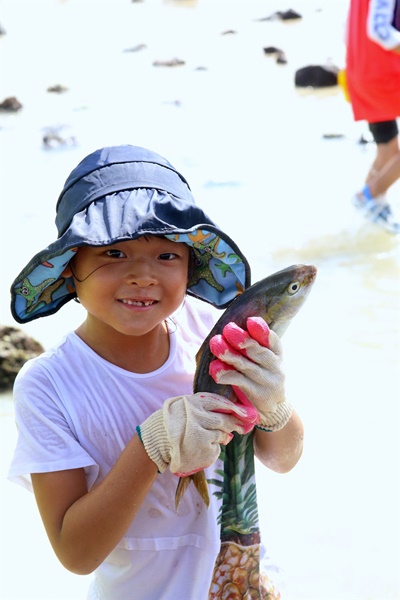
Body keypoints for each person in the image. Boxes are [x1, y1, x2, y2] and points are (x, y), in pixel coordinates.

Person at [7, 144, 303, 599]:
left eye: (167, 255)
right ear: (70, 272)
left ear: (191, 267)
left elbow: (283, 459)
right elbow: (75, 553)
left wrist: (274, 407)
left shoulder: (210, 333)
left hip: (247, 584)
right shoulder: (48, 385)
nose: (143, 275)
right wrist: (150, 447)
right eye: (113, 253)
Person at [345, 0, 400, 233]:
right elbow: (379, 30)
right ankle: (368, 196)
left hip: (361, 72)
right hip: (384, 75)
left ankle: (373, 206)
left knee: (387, 149)